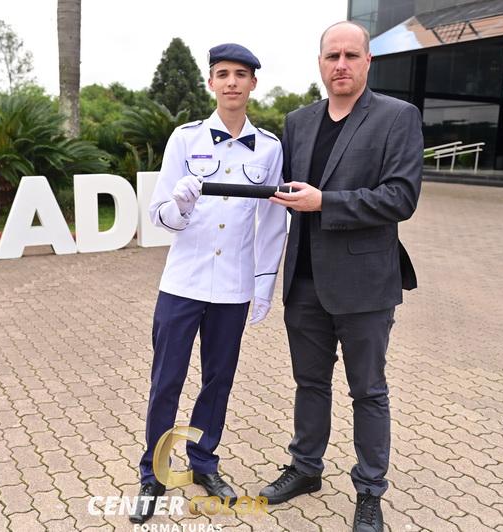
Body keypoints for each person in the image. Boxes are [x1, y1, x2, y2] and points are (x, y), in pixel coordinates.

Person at [258, 21, 423, 532]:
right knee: (309, 383)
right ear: (320, 63)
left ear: (368, 61)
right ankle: (306, 468)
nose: (342, 64)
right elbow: (283, 188)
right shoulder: (299, 121)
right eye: (333, 56)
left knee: (367, 391)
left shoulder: (397, 117)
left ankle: (370, 491)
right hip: (304, 280)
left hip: (365, 285)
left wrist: (324, 202)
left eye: (352, 55)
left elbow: (401, 197)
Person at [130, 43, 287, 524]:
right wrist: (179, 205)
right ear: (211, 82)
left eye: (241, 74)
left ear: (253, 83)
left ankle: (203, 462)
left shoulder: (270, 147)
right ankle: (153, 474)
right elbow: (159, 215)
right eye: (223, 74)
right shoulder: (185, 139)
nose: (232, 82)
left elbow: (273, 222)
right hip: (183, 283)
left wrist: (264, 285)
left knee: (218, 382)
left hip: (233, 287)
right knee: (166, 382)